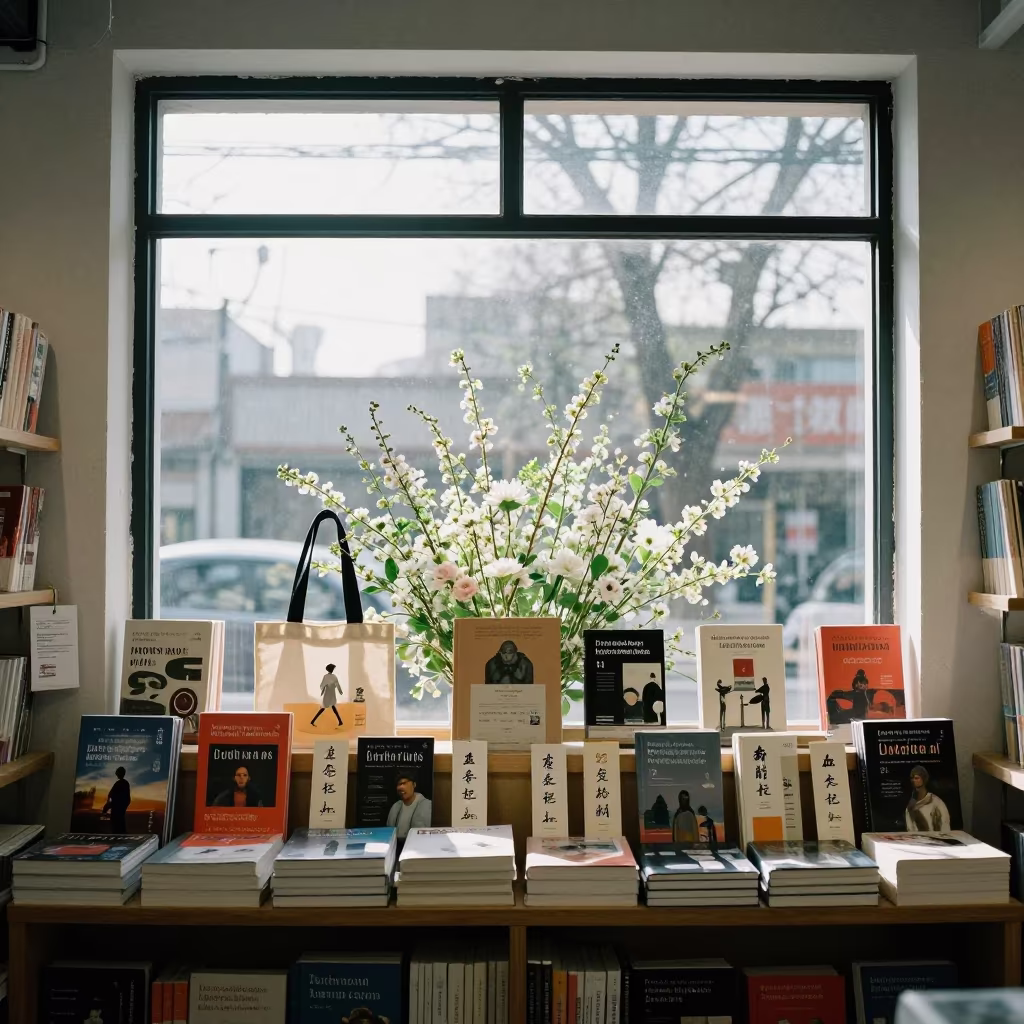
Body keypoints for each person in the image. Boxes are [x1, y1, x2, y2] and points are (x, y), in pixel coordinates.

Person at [386, 769, 432, 838]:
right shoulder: (395, 807)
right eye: (398, 784)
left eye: (404, 783)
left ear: (414, 784)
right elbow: (388, 832)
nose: (400, 787)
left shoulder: (427, 805)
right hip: (396, 846)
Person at [905, 764, 951, 831]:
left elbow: (945, 827)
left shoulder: (936, 803)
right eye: (912, 778)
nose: (913, 781)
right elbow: (910, 829)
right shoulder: (910, 807)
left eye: (916, 778)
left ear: (924, 779)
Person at [311, 662, 343, 727]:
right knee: (327, 707)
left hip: (329, 693)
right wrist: (340, 691)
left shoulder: (327, 677)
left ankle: (340, 721)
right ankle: (313, 721)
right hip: (330, 693)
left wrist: (324, 687)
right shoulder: (334, 677)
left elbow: (322, 685)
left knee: (329, 707)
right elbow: (337, 685)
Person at [101, 766, 131, 835]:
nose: (116, 774)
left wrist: (108, 805)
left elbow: (111, 795)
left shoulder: (120, 783)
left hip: (117, 806)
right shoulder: (124, 783)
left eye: (117, 772)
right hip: (119, 806)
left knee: (117, 822)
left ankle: (119, 835)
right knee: (119, 821)